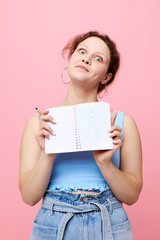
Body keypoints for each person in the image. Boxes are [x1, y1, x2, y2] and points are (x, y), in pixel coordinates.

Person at [19, 31, 142, 240]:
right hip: (53, 223)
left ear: (106, 77)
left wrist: (105, 163)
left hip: (109, 222)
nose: (86, 58)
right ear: (71, 58)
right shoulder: (39, 124)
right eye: (82, 51)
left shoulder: (123, 124)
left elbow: (131, 196)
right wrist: (48, 153)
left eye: (98, 58)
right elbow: (29, 197)